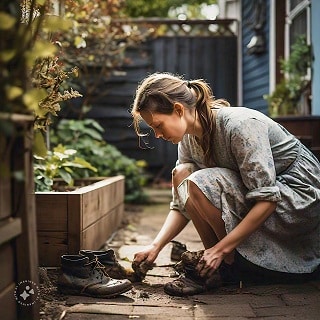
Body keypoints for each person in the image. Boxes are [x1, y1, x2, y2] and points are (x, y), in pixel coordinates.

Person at [130, 72, 320, 296]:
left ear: (179, 110)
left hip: (297, 198)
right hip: (263, 197)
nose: (158, 135)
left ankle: (228, 261)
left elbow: (267, 200)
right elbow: (181, 205)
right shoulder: (188, 140)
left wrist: (220, 249)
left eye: (158, 125)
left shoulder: (240, 126)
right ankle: (217, 266)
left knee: (199, 181)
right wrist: (155, 246)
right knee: (182, 174)